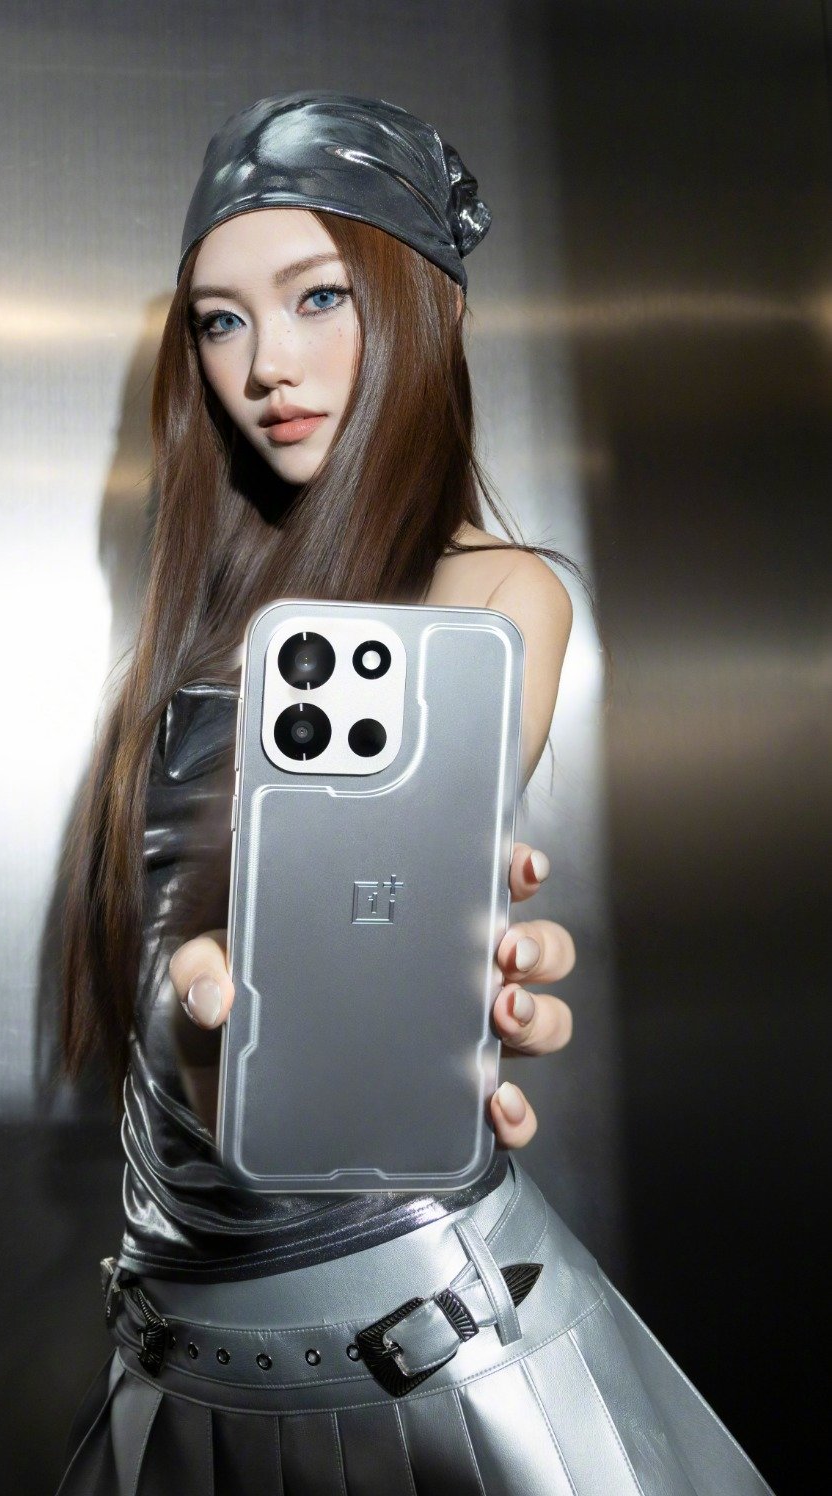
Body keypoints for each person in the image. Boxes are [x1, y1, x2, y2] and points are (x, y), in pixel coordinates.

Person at [55, 92, 772, 1494]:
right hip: (176, 1368)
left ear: (419, 308)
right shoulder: (197, 627)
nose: (267, 365)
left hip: (424, 1357)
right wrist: (195, 994)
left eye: (319, 296)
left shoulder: (492, 599)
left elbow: (375, 937)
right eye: (220, 321)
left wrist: (401, 978)